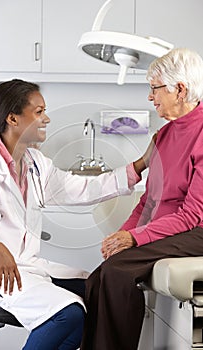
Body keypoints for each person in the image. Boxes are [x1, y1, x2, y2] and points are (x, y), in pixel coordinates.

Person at [0, 79, 154, 350]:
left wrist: (140, 164)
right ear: (13, 118)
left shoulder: (35, 164)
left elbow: (82, 188)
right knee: (67, 314)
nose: (47, 118)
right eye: (39, 112)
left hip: (26, 266)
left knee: (96, 291)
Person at [80, 47, 203, 350]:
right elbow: (148, 202)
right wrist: (123, 234)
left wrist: (135, 239)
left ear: (180, 89)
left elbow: (191, 216)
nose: (150, 97)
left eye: (155, 89)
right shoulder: (161, 137)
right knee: (97, 277)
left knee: (117, 273)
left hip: (197, 231)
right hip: (172, 229)